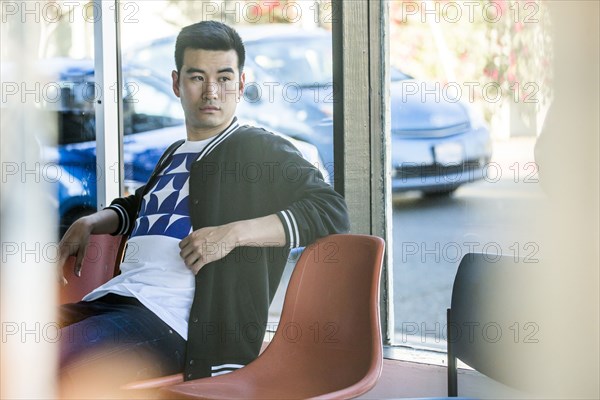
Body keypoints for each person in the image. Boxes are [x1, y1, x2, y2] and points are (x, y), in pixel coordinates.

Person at [57, 20, 349, 394]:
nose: (212, 91)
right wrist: (94, 221)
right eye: (197, 77)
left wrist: (231, 235)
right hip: (117, 300)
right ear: (177, 83)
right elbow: (145, 204)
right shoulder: (175, 153)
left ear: (241, 85)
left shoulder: (260, 149)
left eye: (225, 78)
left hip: (175, 325)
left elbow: (331, 211)